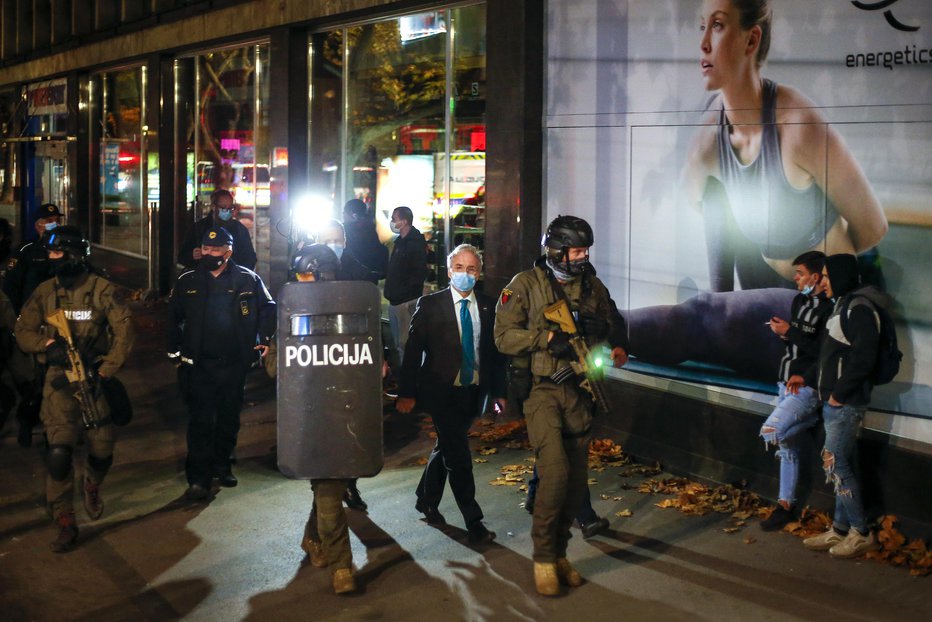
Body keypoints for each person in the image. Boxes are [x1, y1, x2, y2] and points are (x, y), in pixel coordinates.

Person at [685, 0, 886, 288]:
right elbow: (700, 204)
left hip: (837, 295)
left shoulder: (798, 126)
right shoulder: (706, 140)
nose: (703, 43)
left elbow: (872, 226)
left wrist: (833, 277)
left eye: (717, 26)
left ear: (752, 39)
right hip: (779, 290)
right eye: (702, 26)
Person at [494, 215, 628, 596]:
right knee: (553, 473)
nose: (582, 256)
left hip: (581, 390)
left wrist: (617, 342)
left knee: (573, 480)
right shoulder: (525, 286)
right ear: (555, 250)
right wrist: (546, 338)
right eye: (576, 250)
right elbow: (503, 336)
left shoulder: (592, 286)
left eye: (585, 250)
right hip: (542, 390)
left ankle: (560, 554)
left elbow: (613, 317)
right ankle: (542, 558)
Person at [14, 226, 134, 552]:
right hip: (58, 379)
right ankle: (64, 516)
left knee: (102, 449)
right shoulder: (45, 292)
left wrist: (105, 369)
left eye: (57, 253)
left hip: (93, 377)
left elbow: (124, 335)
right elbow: (22, 330)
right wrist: (46, 346)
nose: (52, 260)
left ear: (74, 255)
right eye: (51, 254)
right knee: (59, 452)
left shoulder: (103, 290)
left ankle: (92, 484)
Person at [396, 244, 505, 546]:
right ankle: (474, 521)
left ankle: (425, 498)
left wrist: (499, 391)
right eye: (460, 268)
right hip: (441, 392)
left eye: (472, 269)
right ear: (449, 270)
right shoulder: (430, 305)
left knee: (446, 445)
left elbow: (494, 355)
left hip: (473, 392)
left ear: (479, 273)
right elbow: (413, 352)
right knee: (459, 457)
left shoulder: (488, 305)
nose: (465, 274)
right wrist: (406, 392)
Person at [266, 244, 360, 594]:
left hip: (345, 413)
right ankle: (342, 566)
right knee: (328, 485)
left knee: (330, 485)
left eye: (305, 275)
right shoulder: (292, 312)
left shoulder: (351, 308)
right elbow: (275, 366)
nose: (300, 282)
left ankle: (313, 538)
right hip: (310, 414)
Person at [169, 226, 274, 500]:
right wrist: (174, 352)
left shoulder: (247, 279)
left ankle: (222, 464)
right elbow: (173, 317)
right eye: (206, 249)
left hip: (234, 364)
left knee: (228, 418)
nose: (210, 254)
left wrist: (263, 339)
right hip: (199, 364)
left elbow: (268, 309)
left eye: (216, 250)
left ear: (228, 252)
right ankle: (198, 478)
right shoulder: (188, 280)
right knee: (200, 421)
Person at [801, 253, 881, 559]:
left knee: (836, 465)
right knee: (839, 467)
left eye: (825, 276)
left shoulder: (859, 309)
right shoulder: (843, 305)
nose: (821, 281)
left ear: (841, 276)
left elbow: (864, 358)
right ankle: (840, 528)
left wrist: (838, 395)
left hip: (846, 403)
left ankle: (861, 532)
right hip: (835, 403)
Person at [758, 251, 832, 531]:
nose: (796, 279)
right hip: (784, 381)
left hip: (806, 386)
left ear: (816, 276)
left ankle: (812, 418)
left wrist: (791, 333)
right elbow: (798, 344)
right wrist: (784, 333)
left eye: (800, 274)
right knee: (787, 447)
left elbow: (825, 351)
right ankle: (785, 505)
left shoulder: (830, 309)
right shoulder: (799, 301)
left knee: (771, 432)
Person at [383, 206, 428, 366]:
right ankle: (406, 381)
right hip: (396, 301)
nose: (392, 222)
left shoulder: (414, 244)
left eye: (394, 219)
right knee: (399, 344)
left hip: (405, 302)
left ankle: (411, 383)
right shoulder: (400, 243)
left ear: (404, 221)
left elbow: (418, 274)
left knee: (406, 344)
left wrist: (403, 295)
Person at [177, 189, 257, 270]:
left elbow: (250, 258)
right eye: (223, 208)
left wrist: (238, 275)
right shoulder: (199, 228)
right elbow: (182, 257)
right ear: (213, 207)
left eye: (230, 208)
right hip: (204, 280)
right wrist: (192, 256)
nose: (227, 211)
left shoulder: (239, 229)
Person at [4, 203, 61, 313]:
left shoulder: (65, 249)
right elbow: (11, 285)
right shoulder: (25, 250)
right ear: (38, 225)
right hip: (33, 312)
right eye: (49, 221)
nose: (55, 224)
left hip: (58, 311)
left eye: (57, 220)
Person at [341, 199, 387, 284]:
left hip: (351, 281)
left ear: (352, 214)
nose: (343, 215)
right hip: (370, 281)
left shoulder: (345, 232)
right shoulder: (370, 230)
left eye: (344, 212)